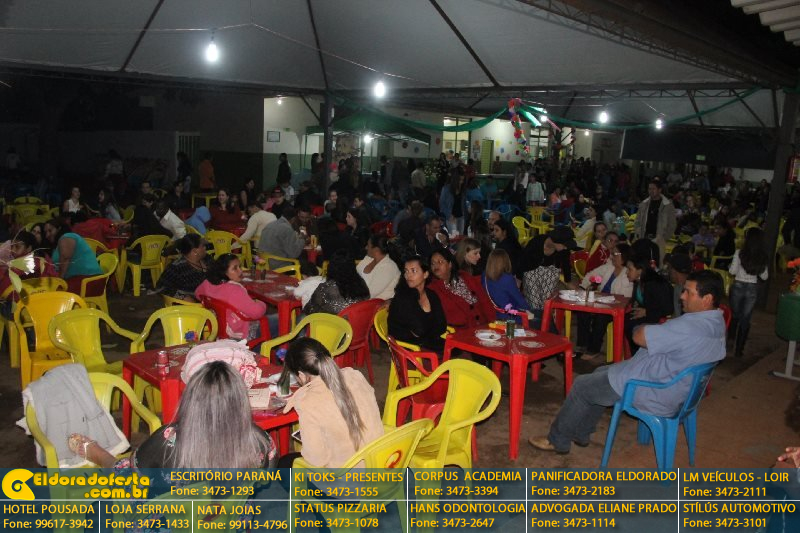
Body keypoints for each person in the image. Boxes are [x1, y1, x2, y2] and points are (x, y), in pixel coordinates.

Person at [529, 270, 726, 454]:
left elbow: (639, 337)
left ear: (707, 299)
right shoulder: (716, 322)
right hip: (677, 387)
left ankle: (557, 440)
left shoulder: (689, 326)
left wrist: (641, 328)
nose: (682, 296)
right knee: (599, 373)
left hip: (652, 388)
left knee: (581, 385)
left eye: (688, 292)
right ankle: (581, 433)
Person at [68, 361, 276, 469]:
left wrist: (103, 457)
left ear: (191, 399)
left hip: (172, 523)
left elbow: (134, 472)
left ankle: (97, 453)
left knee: (101, 502)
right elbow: (265, 480)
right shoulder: (262, 442)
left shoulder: (168, 440)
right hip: (231, 523)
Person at [279, 338, 383, 468]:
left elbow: (317, 460)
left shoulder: (307, 402)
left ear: (301, 375)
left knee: (284, 463)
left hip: (349, 478)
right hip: (381, 462)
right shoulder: (355, 375)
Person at [575, 243, 633, 358]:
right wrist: (583, 287)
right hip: (601, 301)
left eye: (615, 254)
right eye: (612, 253)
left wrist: (605, 298)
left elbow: (625, 297)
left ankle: (594, 349)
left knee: (601, 317)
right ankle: (583, 343)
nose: (612, 256)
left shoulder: (629, 273)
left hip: (617, 307)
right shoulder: (609, 267)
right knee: (582, 310)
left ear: (624, 256)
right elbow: (591, 274)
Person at [195, 254, 267, 341]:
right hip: (240, 331)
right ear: (224, 272)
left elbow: (197, 294)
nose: (240, 271)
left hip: (218, 328)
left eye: (240, 266)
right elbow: (257, 312)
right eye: (235, 268)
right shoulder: (234, 290)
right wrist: (260, 302)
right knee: (278, 320)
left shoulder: (207, 283)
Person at [388, 255, 447, 352]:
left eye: (413, 271)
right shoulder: (403, 297)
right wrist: (431, 328)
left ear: (425, 274)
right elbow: (419, 330)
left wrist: (428, 331)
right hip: (406, 347)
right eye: (406, 271)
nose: (408, 275)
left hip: (426, 341)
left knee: (456, 349)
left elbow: (442, 325)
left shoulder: (431, 295)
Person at [429, 248, 493, 332]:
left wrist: (492, 325)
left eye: (440, 262)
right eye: (432, 263)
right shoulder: (432, 289)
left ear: (450, 264)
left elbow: (485, 302)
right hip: (459, 333)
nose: (436, 266)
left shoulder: (466, 278)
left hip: (484, 328)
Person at [728, 227, 769, 358]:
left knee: (734, 315)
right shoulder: (762, 256)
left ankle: (730, 342)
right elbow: (765, 277)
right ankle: (739, 350)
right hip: (752, 288)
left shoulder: (739, 253)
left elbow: (732, 271)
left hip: (738, 285)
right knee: (745, 319)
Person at [624, 249, 674, 349]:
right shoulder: (639, 282)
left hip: (658, 318)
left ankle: (639, 354)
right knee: (625, 319)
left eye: (629, 269)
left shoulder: (654, 284)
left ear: (640, 270)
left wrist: (646, 312)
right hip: (649, 315)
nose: (626, 272)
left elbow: (668, 309)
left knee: (631, 325)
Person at [304, 249, 370, 315]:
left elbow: (309, 309)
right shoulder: (361, 285)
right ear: (353, 266)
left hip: (334, 321)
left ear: (331, 267)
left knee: (302, 317)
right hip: (359, 320)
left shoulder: (325, 288)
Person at [45, 218, 102, 293]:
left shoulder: (67, 237)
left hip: (88, 280)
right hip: (80, 279)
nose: (47, 235)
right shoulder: (59, 243)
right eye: (46, 232)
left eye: (50, 231)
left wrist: (59, 282)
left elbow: (65, 259)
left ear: (59, 228)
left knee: (53, 293)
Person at [633, 179, 676, 265]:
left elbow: (672, 224)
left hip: (658, 240)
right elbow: (637, 221)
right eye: (649, 189)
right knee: (642, 262)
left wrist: (664, 237)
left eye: (653, 189)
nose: (651, 191)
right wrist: (638, 232)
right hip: (644, 238)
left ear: (659, 190)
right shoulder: (644, 204)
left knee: (656, 263)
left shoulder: (668, 205)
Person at [155, 234, 211, 301]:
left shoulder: (207, 258)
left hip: (212, 296)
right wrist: (182, 297)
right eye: (203, 246)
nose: (205, 248)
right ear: (195, 251)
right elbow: (160, 287)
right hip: (195, 304)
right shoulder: (177, 267)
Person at [482, 249, 532, 324]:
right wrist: (528, 309)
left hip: (495, 315)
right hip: (511, 317)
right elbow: (518, 298)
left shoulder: (484, 276)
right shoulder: (507, 278)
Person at [356, 235, 400, 300]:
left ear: (376, 250)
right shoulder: (368, 258)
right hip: (361, 298)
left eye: (368, 245)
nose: (366, 248)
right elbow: (355, 273)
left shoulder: (388, 267)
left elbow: (369, 294)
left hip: (378, 303)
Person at [665, 252, 693, 318]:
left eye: (669, 268)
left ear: (674, 270)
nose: (668, 271)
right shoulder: (678, 286)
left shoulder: (692, 291)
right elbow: (676, 313)